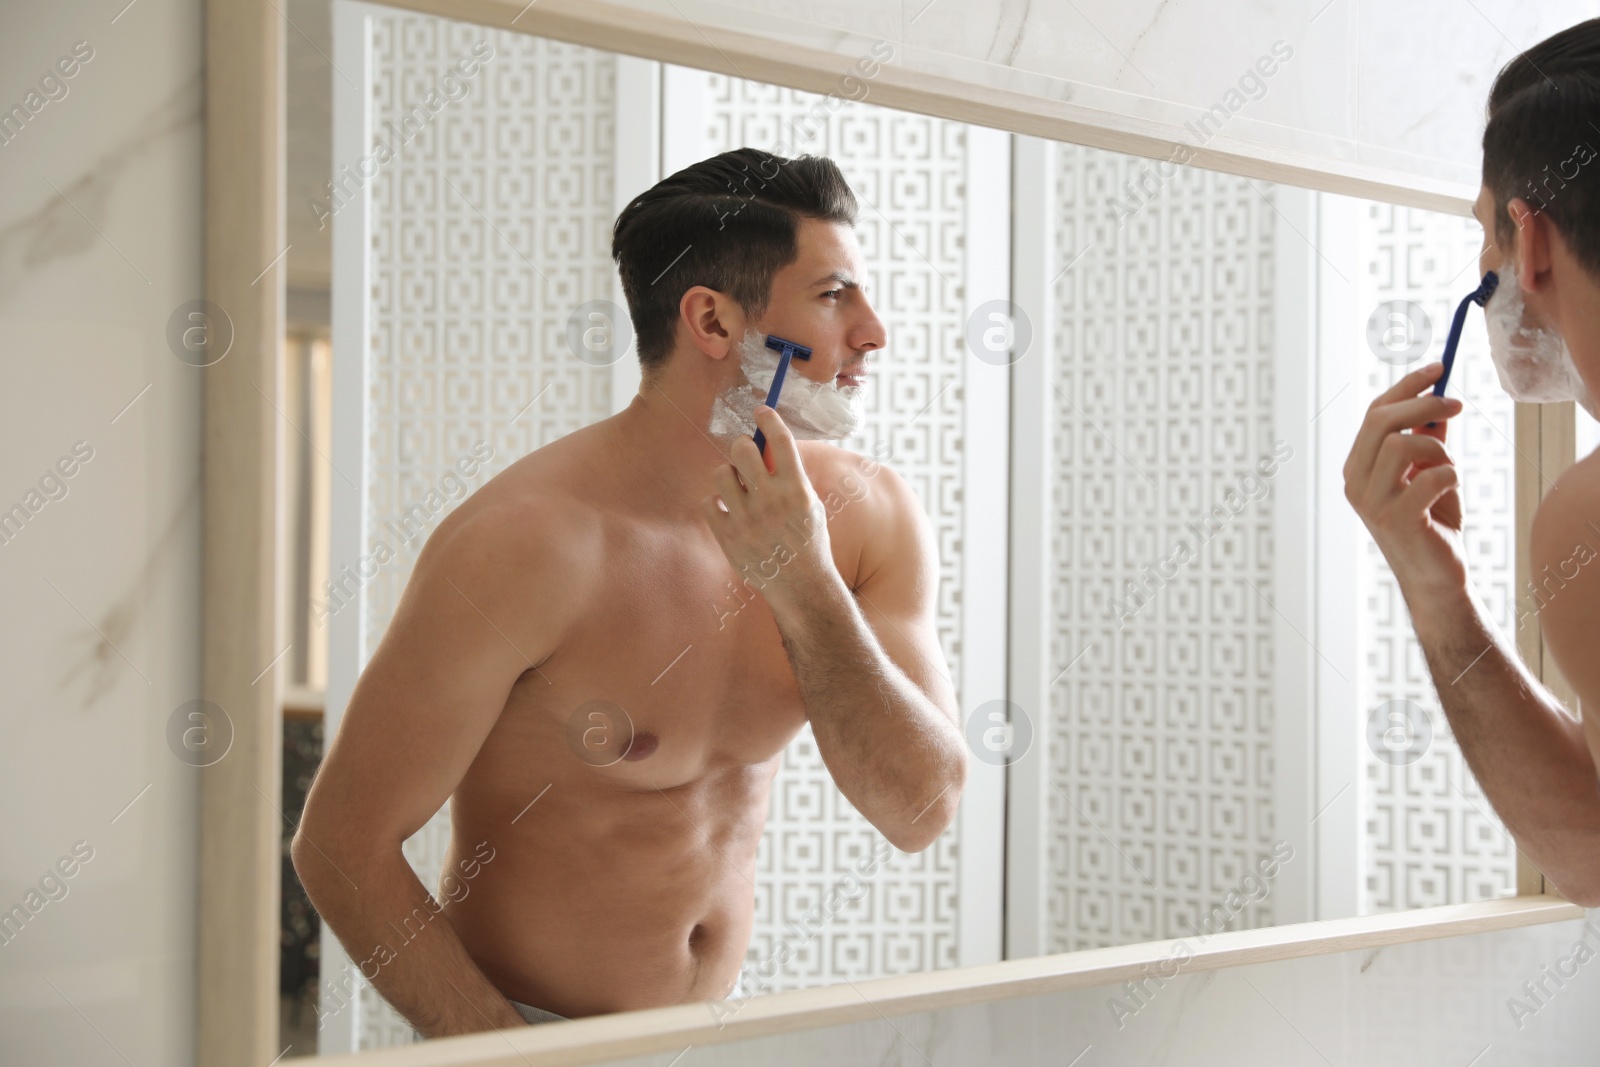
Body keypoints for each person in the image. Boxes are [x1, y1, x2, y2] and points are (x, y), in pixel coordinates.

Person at [292, 148, 968, 1037]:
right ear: (715, 324)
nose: (873, 331)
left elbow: (920, 810)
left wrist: (804, 585)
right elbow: (342, 849)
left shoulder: (867, 517)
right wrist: (512, 1060)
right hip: (522, 1036)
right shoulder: (526, 544)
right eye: (836, 295)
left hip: (713, 1032)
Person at [1343, 19, 1600, 904]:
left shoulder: (1590, 516)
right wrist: (1435, 584)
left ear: (1529, 241)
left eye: (1485, 230)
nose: (1480, 264)